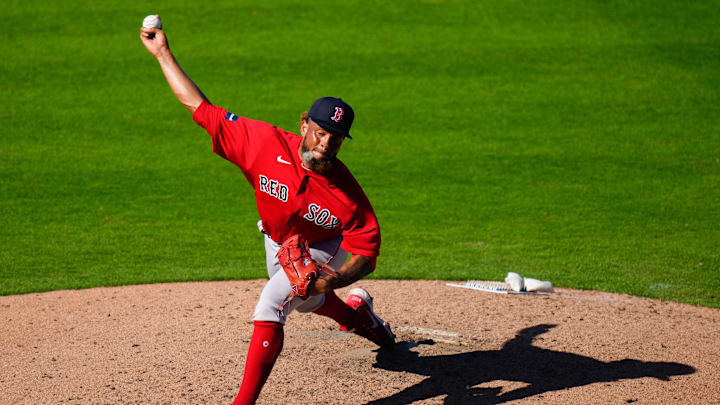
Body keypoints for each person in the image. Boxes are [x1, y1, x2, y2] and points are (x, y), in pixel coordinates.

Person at [140, 18, 395, 405]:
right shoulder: (262, 143)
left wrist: (328, 280)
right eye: (321, 132)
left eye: (336, 138)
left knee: (273, 302)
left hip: (323, 244)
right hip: (275, 239)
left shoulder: (346, 195)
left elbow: (367, 252)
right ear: (304, 124)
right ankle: (363, 316)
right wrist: (162, 53)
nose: (326, 143)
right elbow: (200, 107)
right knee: (306, 302)